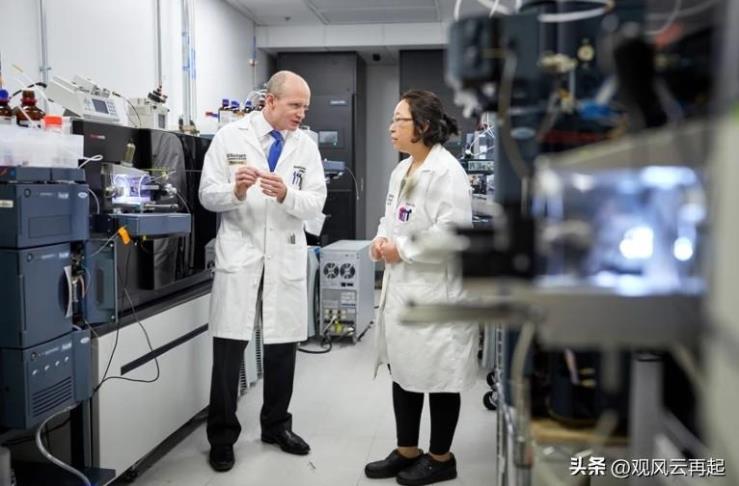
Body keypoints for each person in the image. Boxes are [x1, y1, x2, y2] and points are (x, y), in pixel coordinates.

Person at [198, 70, 327, 472]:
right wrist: (235, 191)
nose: (301, 114)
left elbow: (316, 202)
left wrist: (287, 194)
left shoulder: (305, 146)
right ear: (270, 101)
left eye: (305, 107)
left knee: (282, 348)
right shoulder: (230, 138)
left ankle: (276, 426)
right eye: (295, 105)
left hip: (284, 254)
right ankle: (222, 437)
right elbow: (207, 195)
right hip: (241, 255)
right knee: (228, 350)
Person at [364, 90, 477, 486]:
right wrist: (381, 240)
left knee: (439, 378)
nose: (391, 127)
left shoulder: (447, 172)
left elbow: (452, 234)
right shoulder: (403, 170)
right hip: (404, 291)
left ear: (423, 126)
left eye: (400, 120)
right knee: (404, 370)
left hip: (436, 293)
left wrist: (403, 249)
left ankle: (441, 458)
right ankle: (407, 450)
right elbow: (390, 218)